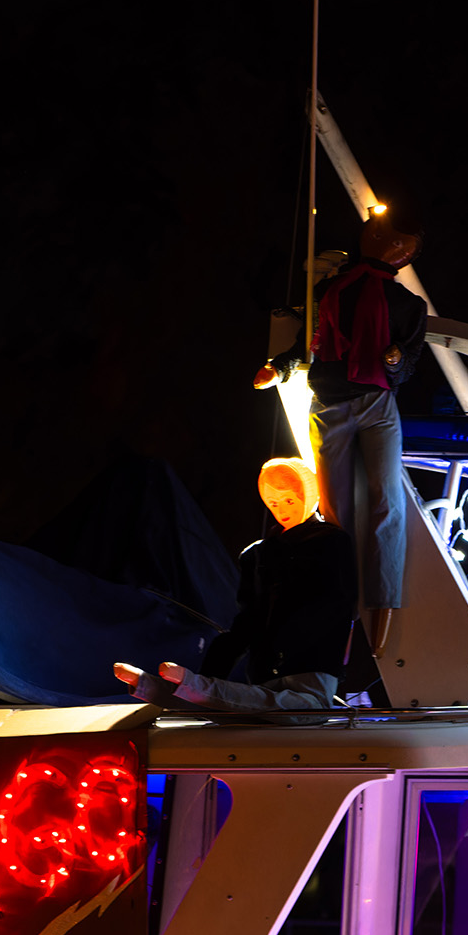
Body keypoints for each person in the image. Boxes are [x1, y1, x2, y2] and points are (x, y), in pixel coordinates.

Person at [256, 210, 426, 656]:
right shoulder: (330, 289)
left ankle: (382, 603)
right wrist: (282, 364)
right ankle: (343, 605)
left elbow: (408, 362)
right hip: (330, 402)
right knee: (335, 512)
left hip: (375, 402)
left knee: (386, 500)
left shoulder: (407, 304)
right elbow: (308, 341)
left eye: (399, 241)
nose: (393, 246)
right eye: (388, 237)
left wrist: (392, 361)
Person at [115, 458, 356, 713]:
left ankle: (194, 691)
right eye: (273, 503)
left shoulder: (332, 542)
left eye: (289, 501)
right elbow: (246, 623)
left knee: (301, 710)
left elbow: (338, 605)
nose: (282, 510)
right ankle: (191, 690)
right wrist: (210, 674)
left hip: (312, 664)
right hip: (265, 670)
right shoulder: (257, 555)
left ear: (309, 496)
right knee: (264, 709)